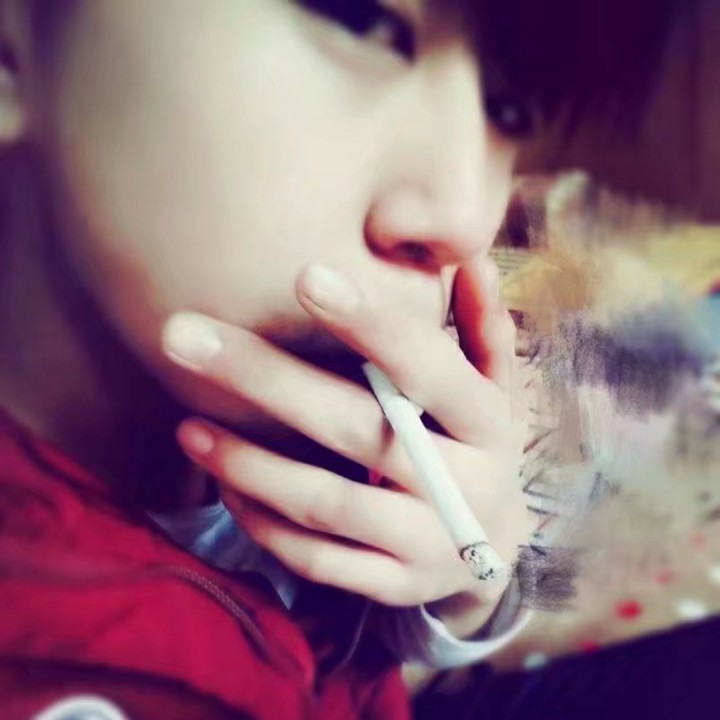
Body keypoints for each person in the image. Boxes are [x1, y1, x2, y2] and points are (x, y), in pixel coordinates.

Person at [0, 1, 684, 718]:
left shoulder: (366, 403)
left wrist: (464, 590)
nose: (461, 217)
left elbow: (377, 629)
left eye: (509, 108)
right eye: (359, 19)